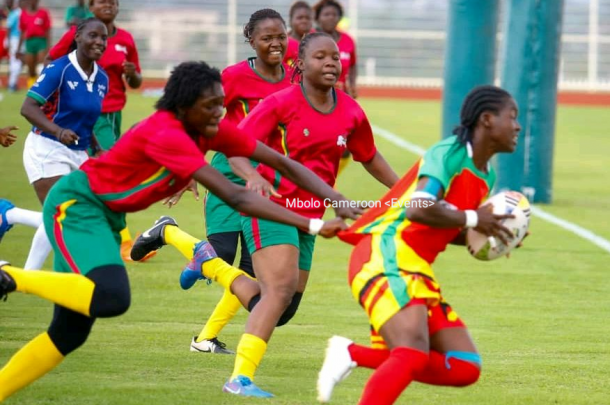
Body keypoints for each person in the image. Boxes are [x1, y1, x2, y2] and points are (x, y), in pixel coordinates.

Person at [0, 60, 357, 402]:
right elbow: (236, 195)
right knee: (112, 297)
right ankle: (8, 277)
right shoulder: (167, 132)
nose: (221, 112)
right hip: (77, 207)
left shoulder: (206, 128)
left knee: (69, 333)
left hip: (104, 218)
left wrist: (334, 197)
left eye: (221, 103)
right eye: (212, 105)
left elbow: (280, 161)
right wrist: (312, 223)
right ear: (185, 106)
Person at [144, 32, 399, 398]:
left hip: (312, 214)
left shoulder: (351, 111)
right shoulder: (280, 104)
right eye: (320, 58)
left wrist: (407, 190)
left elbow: (370, 156)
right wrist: (252, 178)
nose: (330, 63)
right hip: (272, 209)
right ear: (301, 64)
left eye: (334, 58)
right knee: (277, 292)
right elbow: (235, 147)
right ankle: (239, 379)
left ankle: (207, 260)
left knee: (282, 307)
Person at [315, 85, 522, 405]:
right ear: (486, 120)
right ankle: (350, 354)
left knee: (465, 366)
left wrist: (494, 234)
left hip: (413, 266)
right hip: (384, 252)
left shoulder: (486, 175)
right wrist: (472, 219)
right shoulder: (450, 153)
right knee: (411, 352)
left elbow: (448, 225)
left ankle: (351, 353)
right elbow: (419, 208)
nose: (518, 126)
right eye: (513, 117)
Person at [189, 8, 294, 355]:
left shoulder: (294, 78)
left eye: (281, 36)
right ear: (250, 40)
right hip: (227, 175)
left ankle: (204, 338)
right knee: (219, 253)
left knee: (252, 270)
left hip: (268, 183)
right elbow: (201, 119)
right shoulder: (233, 77)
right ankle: (166, 234)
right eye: (267, 38)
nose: (276, 44)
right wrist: (186, 169)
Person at [47, 0, 144, 261]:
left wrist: (132, 73)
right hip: (92, 116)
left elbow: (136, 81)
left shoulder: (125, 39)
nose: (109, 6)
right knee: (114, 170)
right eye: (102, 1)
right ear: (91, 5)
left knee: (93, 172)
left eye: (113, 2)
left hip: (115, 114)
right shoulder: (79, 33)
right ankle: (123, 241)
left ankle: (88, 226)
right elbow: (52, 60)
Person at [20, 17, 109, 271]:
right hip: (46, 147)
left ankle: (9, 218)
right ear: (78, 37)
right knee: (62, 214)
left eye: (103, 38)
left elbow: (86, 119)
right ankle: (29, 278)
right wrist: (58, 131)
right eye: (93, 36)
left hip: (79, 152)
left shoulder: (102, 78)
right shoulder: (59, 69)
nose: (99, 42)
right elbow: (28, 108)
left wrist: (97, 147)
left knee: (70, 216)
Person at [313, 0, 358, 176]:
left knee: (345, 146)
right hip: (316, 98)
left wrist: (352, 84)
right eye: (326, 14)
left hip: (341, 101)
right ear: (318, 18)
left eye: (335, 14)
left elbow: (353, 65)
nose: (331, 18)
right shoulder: (310, 38)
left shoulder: (347, 40)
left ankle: (329, 179)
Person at [17, 0, 51, 88]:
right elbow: (22, 32)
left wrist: (48, 46)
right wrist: (18, 48)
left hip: (41, 41)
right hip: (29, 42)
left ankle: (42, 88)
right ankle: (31, 88)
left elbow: (47, 30)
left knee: (41, 66)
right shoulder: (23, 14)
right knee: (31, 69)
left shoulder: (43, 13)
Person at [285, 1, 312, 67]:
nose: (304, 21)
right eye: (300, 18)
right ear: (291, 20)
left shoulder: (318, 39)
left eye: (307, 18)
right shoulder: (284, 43)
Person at [5, 0, 22, 91]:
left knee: (15, 61)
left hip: (15, 39)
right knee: (17, 62)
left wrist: (7, 40)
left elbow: (9, 27)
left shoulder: (15, 13)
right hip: (20, 39)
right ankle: (13, 83)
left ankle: (12, 84)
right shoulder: (21, 13)